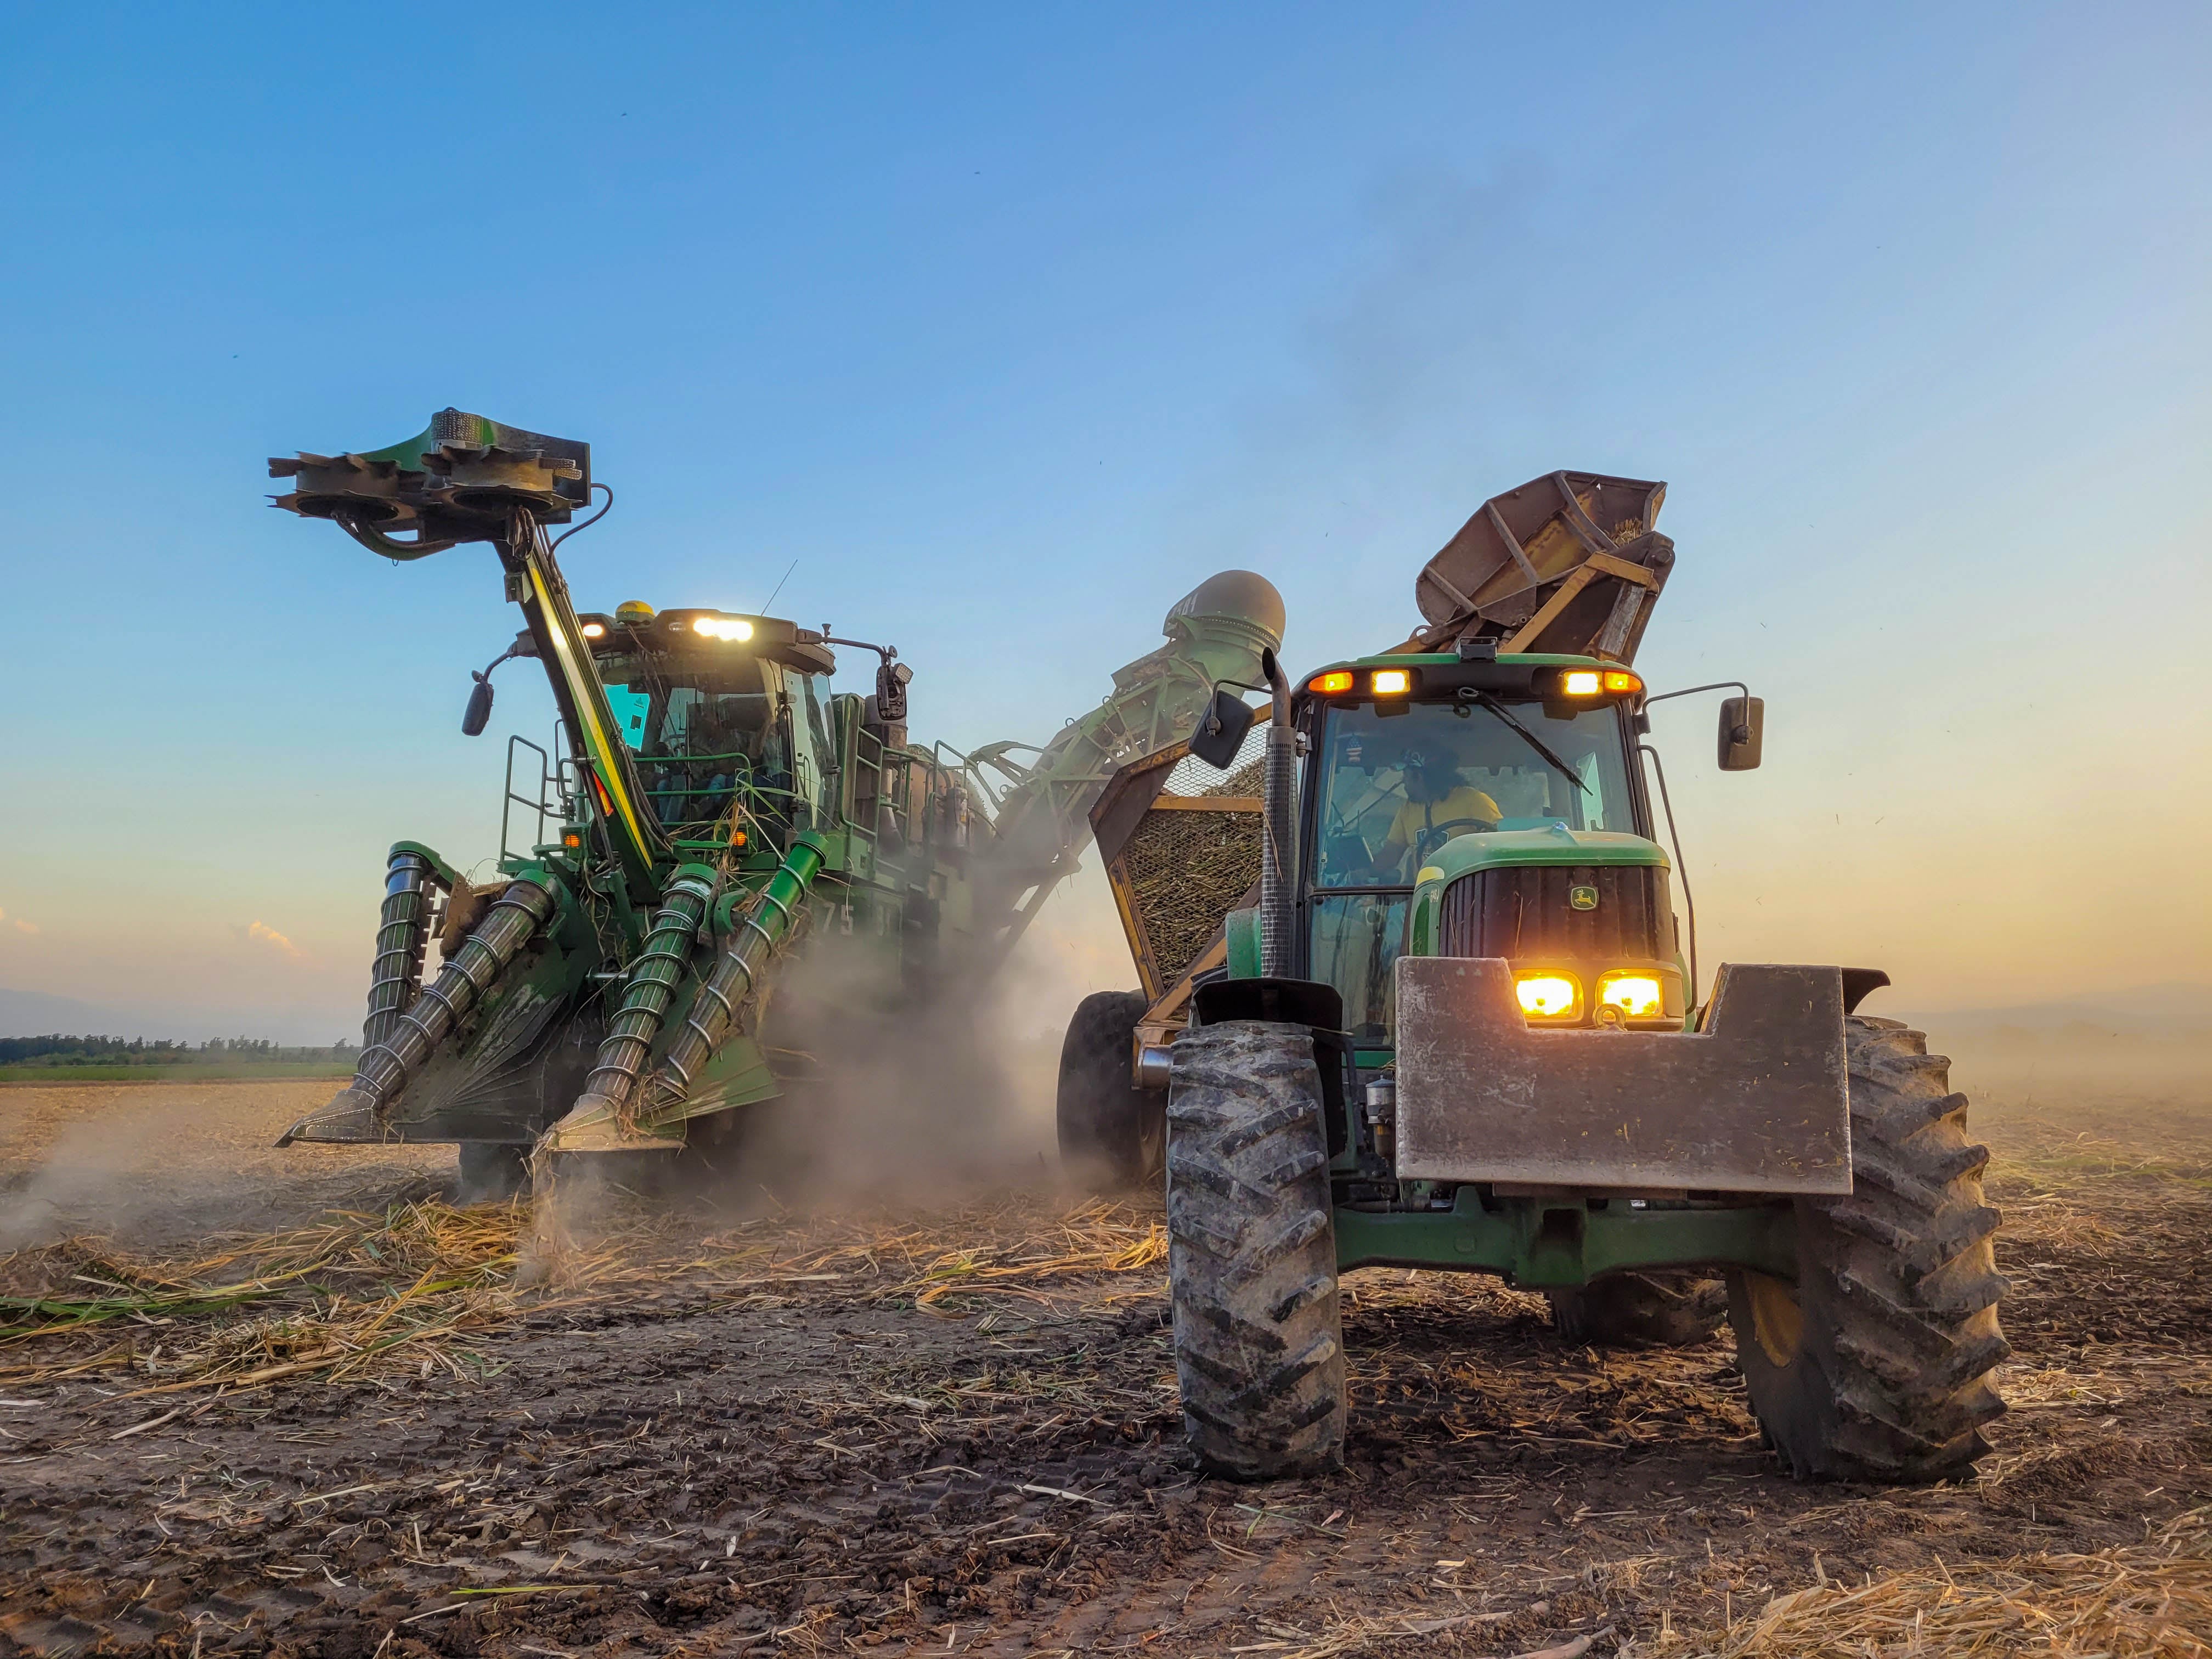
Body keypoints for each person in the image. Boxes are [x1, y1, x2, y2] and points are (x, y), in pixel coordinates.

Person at [1373, 748, 1502, 878]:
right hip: (1424, 895)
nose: (1403, 782)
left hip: (1466, 892)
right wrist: (1365, 872)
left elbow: (1496, 849)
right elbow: (1390, 855)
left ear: (1419, 776)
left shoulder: (1475, 801)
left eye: (1405, 775)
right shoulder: (1408, 809)